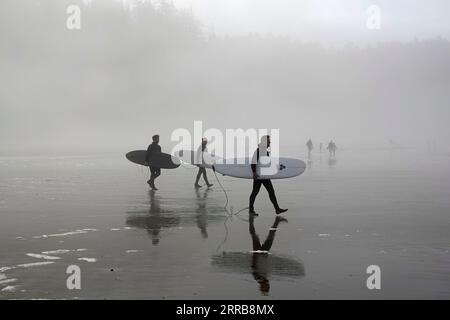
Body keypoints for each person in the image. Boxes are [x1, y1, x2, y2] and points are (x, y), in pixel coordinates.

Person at [249, 135, 288, 216]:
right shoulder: (259, 150)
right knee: (260, 192)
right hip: (260, 175)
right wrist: (254, 172)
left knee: (260, 192)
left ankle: (276, 209)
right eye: (268, 141)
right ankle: (276, 209)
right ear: (264, 142)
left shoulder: (264, 150)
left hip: (263, 175)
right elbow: (253, 161)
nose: (270, 142)